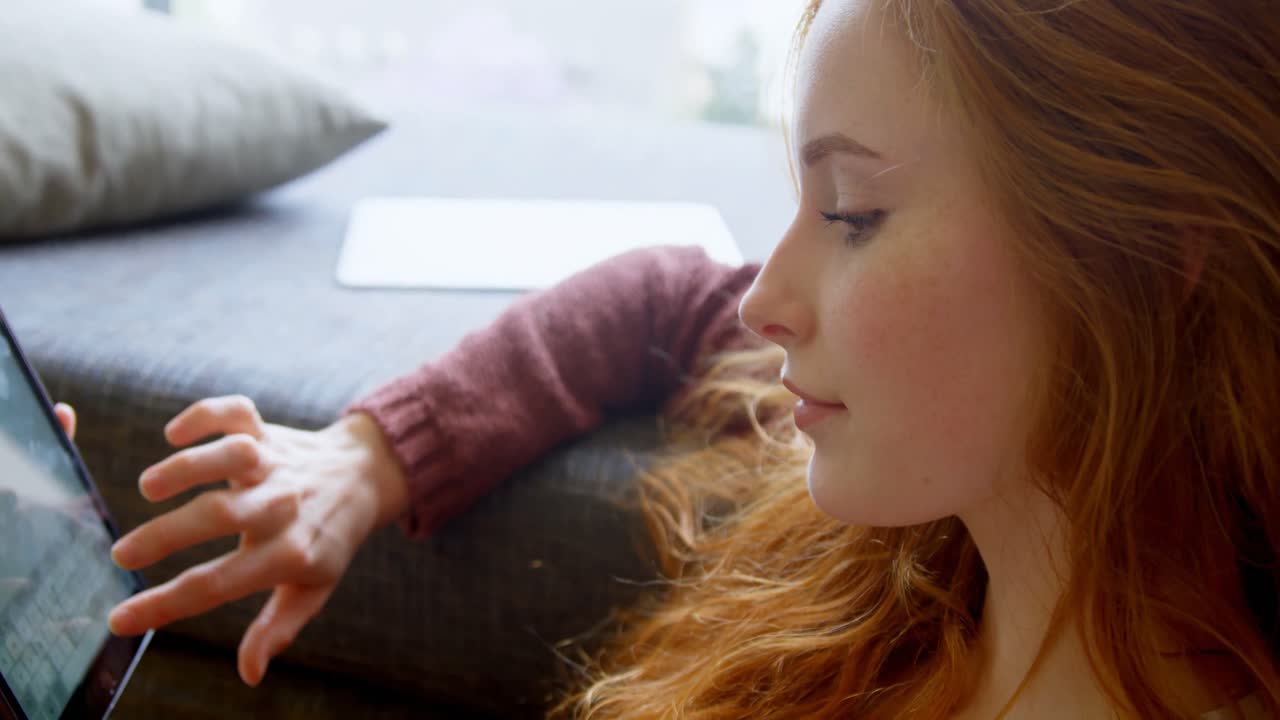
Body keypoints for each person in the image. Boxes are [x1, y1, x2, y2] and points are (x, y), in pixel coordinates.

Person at [53, 0, 1280, 715]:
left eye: (850, 212)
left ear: (1153, 249)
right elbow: (662, 295)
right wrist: (368, 457)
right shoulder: (883, 557)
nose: (769, 300)